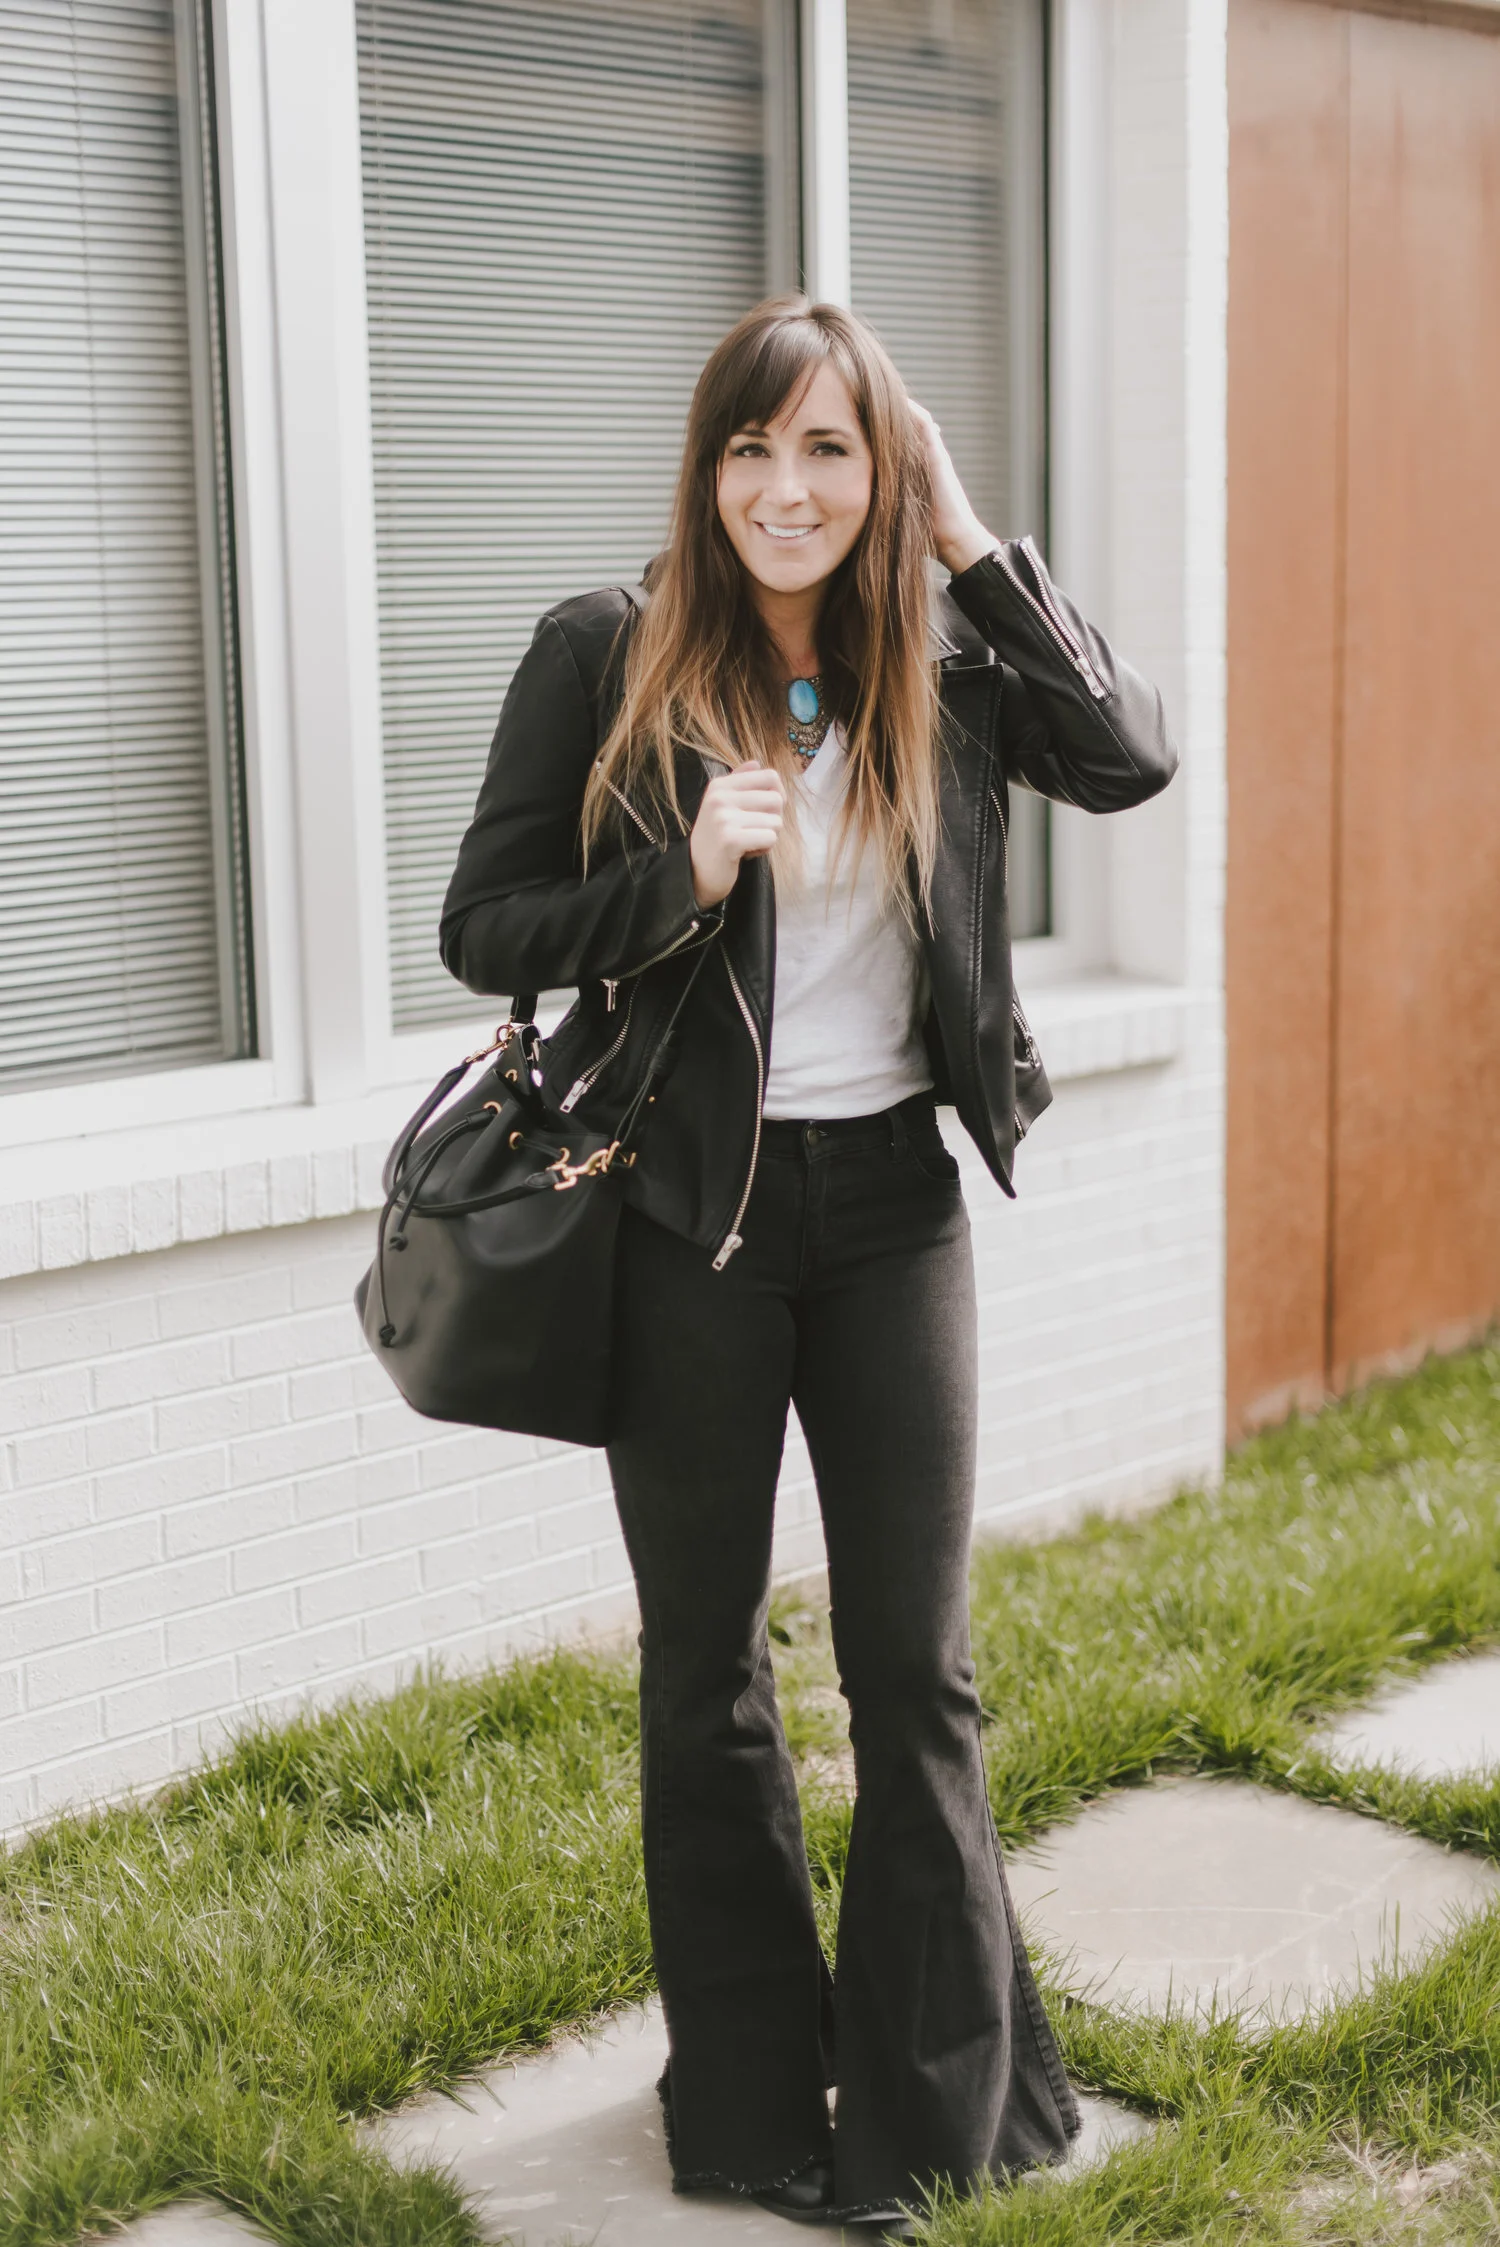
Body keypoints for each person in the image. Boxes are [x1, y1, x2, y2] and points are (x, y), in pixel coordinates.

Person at [440, 296, 1176, 2236]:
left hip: (891, 1218)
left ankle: (933, 2120)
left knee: (913, 1672)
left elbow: (1129, 760)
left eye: (833, 450)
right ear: (709, 467)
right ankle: (751, 2109)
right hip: (692, 1224)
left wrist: (964, 537)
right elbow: (483, 918)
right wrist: (671, 878)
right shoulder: (605, 649)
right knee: (706, 1677)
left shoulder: (939, 655)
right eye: (755, 449)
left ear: (883, 469)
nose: (789, 487)